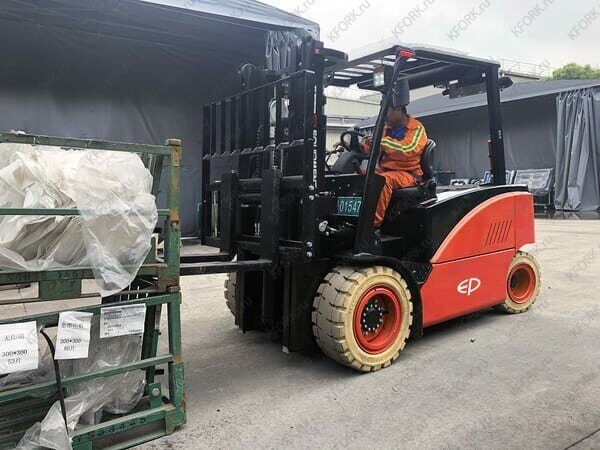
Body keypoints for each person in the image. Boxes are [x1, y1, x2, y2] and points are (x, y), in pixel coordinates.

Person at [362, 105, 428, 227]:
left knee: (383, 181)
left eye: (386, 112)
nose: (384, 117)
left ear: (398, 109)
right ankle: (353, 217)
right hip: (385, 170)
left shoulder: (416, 128)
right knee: (359, 175)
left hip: (408, 174)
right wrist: (358, 145)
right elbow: (371, 149)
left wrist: (381, 142)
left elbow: (408, 149)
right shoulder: (385, 129)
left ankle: (371, 226)